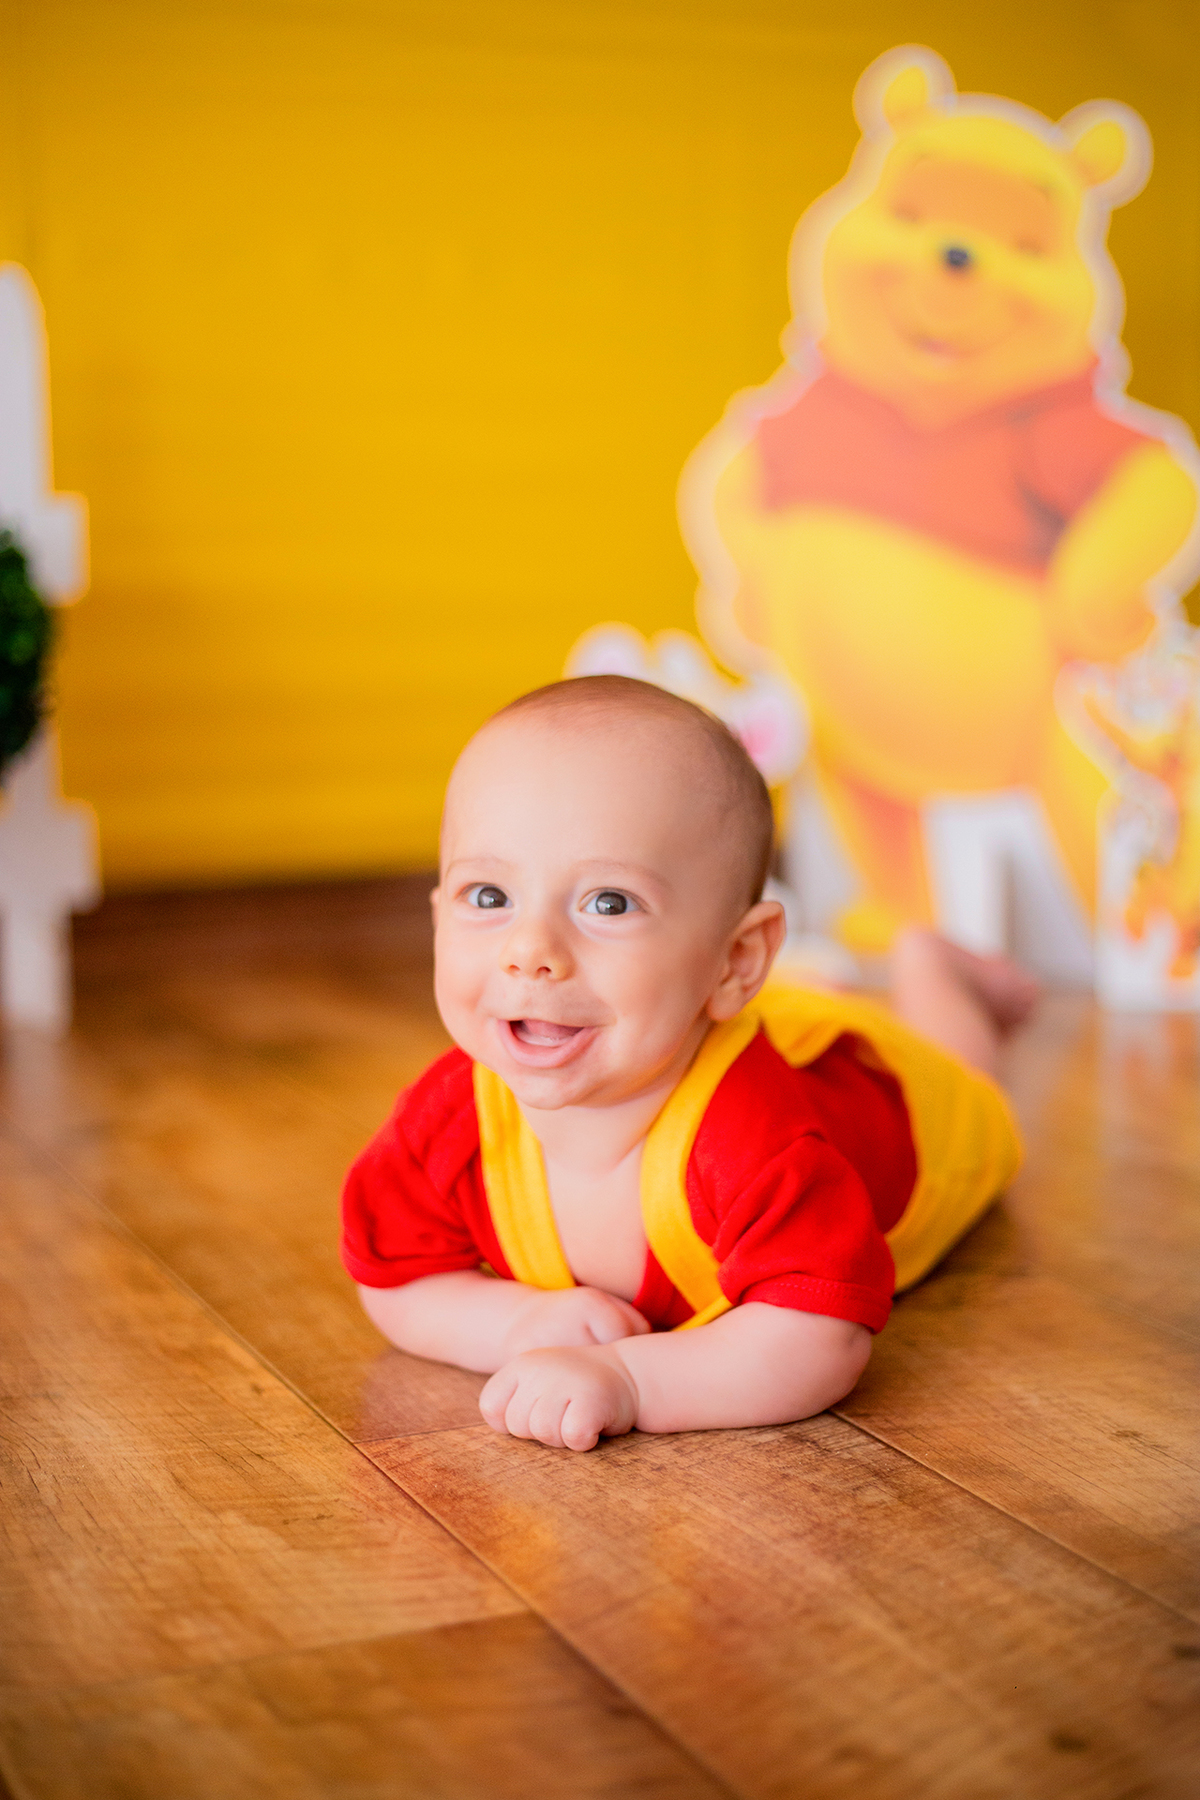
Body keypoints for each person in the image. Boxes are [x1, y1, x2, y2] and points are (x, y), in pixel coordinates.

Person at [341, 676, 1035, 1452]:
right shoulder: (450, 1121)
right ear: (438, 913)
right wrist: (515, 1324)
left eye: (607, 903)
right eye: (488, 893)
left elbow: (817, 1337)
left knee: (964, 1073)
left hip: (890, 1098)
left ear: (735, 959)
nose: (528, 951)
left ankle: (936, 970)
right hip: (721, 1011)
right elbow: (394, 1274)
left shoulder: (756, 1143)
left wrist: (634, 1380)